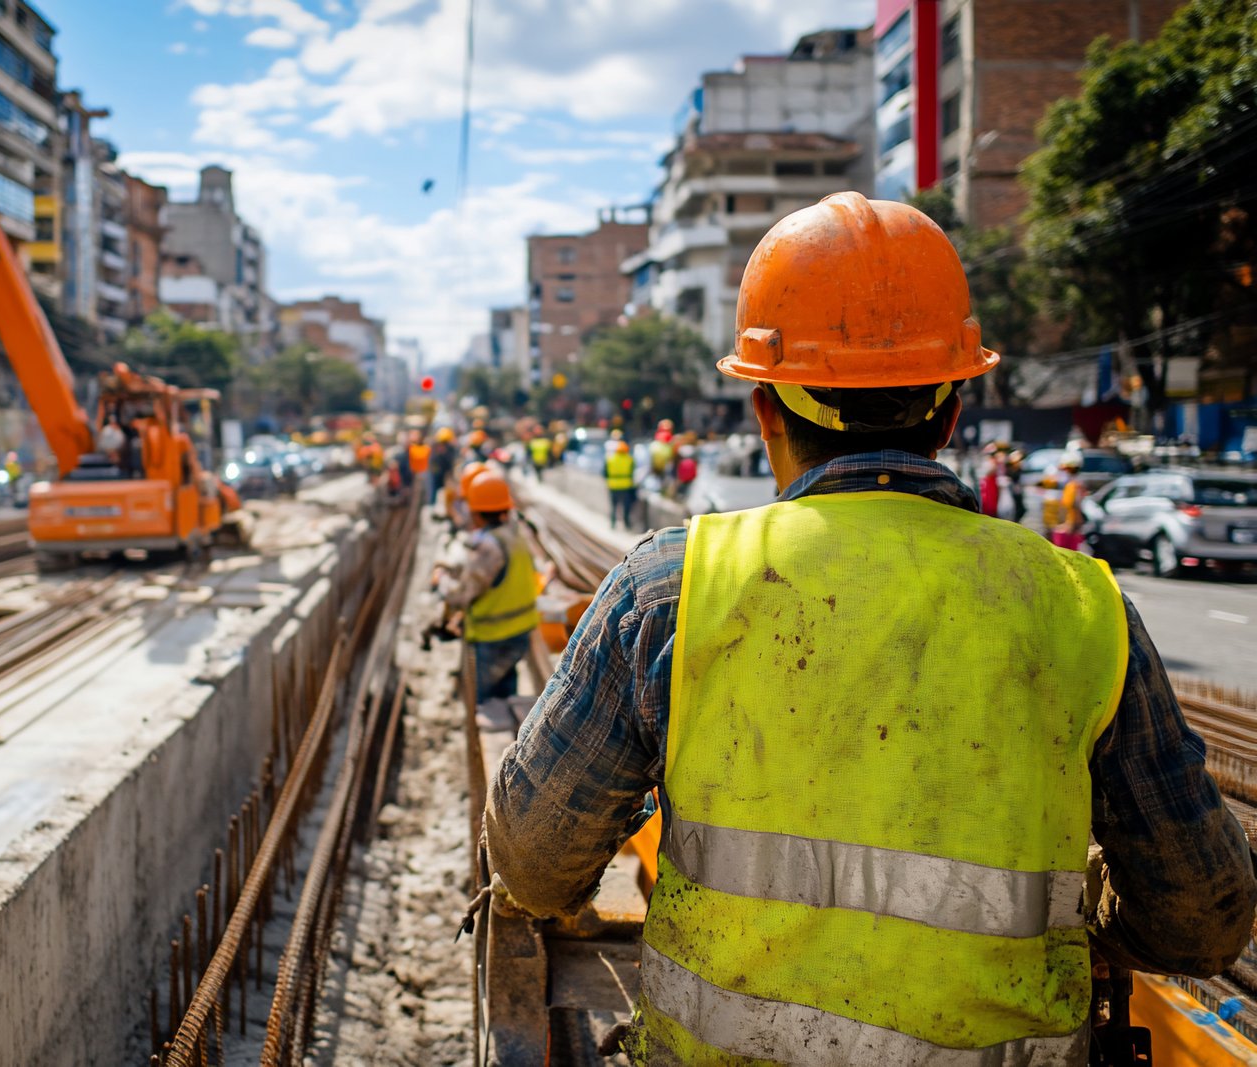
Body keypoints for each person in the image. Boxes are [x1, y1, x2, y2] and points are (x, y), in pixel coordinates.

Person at [484, 192, 1256, 1066]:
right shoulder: (1084, 607)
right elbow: (1204, 917)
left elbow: (535, 861)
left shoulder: (672, 587)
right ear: (954, 408)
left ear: (765, 408)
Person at [434, 470, 538, 702]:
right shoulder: (517, 532)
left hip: (493, 635)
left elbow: (460, 595)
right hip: (520, 631)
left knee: (483, 699)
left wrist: (441, 579)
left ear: (477, 513)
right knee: (507, 690)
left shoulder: (488, 547)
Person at [604, 439, 636, 530]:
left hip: (613, 485)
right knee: (626, 506)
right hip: (625, 486)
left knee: (614, 506)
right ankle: (626, 524)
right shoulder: (630, 459)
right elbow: (633, 472)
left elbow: (605, 473)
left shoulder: (610, 459)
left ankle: (613, 524)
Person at [429, 427, 456, 509]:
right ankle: (433, 506)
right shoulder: (436, 451)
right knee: (436, 490)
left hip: (442, 473)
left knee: (444, 492)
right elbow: (433, 463)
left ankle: (443, 507)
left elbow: (450, 463)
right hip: (437, 473)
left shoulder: (449, 450)